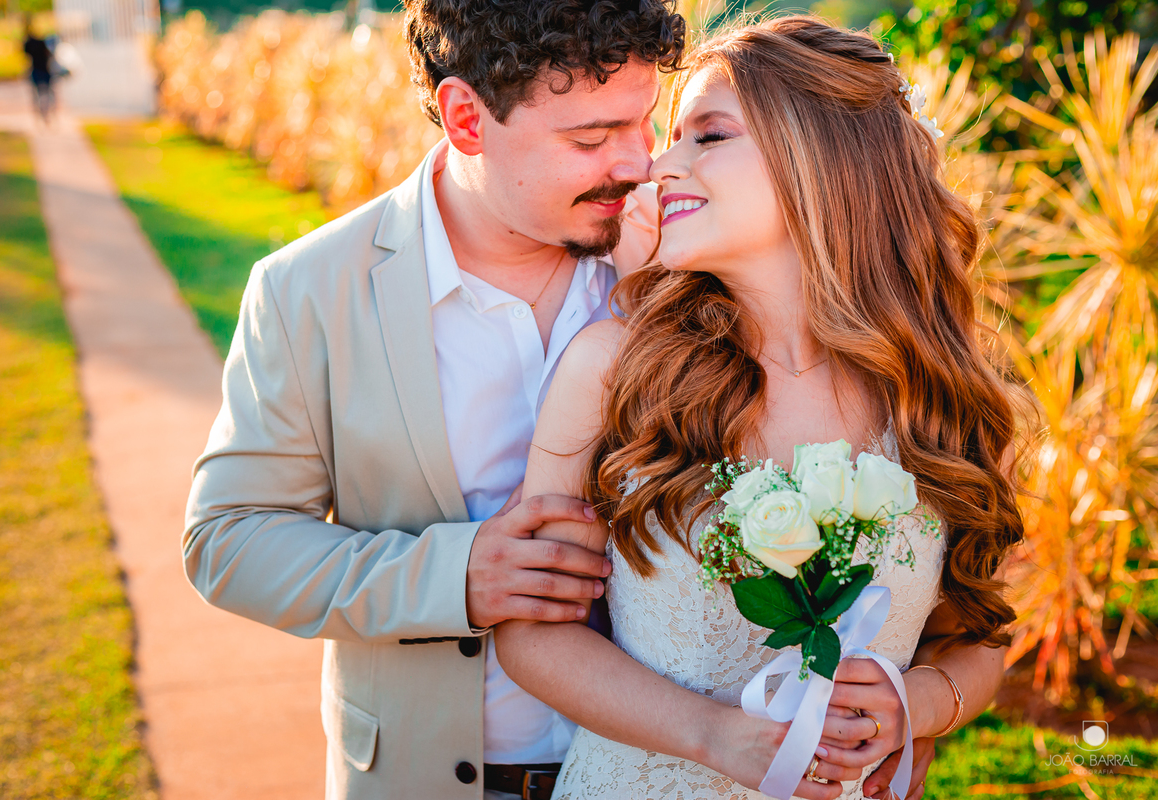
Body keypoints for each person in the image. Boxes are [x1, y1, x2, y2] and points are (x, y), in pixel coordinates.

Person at [495, 16, 1025, 800]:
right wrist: (714, 737)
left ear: (822, 159)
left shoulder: (947, 399)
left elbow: (976, 637)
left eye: (707, 135)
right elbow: (531, 632)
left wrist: (914, 707)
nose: (656, 165)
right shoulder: (616, 373)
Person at [183, 2, 682, 798]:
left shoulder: (681, 261)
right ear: (465, 118)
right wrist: (453, 577)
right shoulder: (307, 293)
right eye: (591, 139)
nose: (638, 163)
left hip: (665, 776)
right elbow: (228, 541)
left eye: (645, 122)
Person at [22, 18, 55, 122]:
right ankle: (47, 113)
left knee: (38, 95)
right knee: (47, 93)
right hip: (44, 70)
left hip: (36, 71)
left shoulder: (29, 43)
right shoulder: (42, 42)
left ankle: (41, 114)